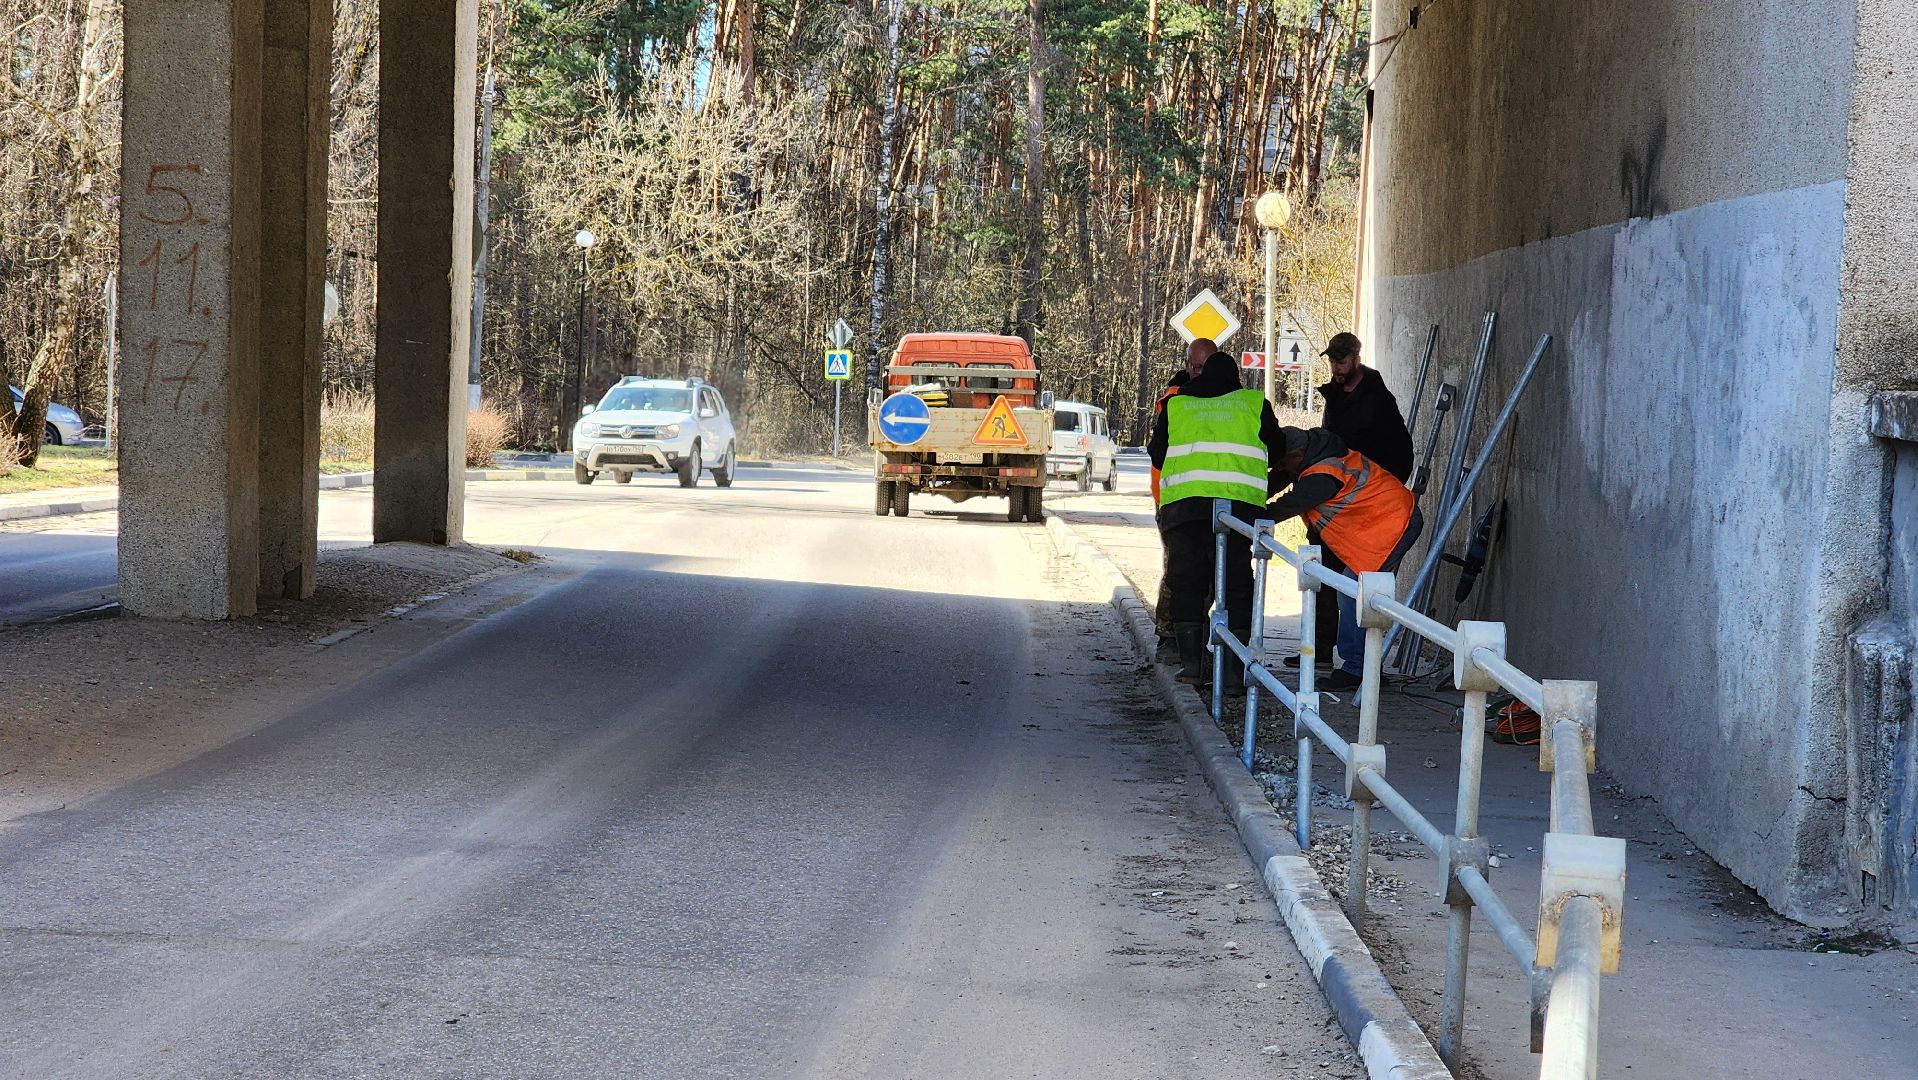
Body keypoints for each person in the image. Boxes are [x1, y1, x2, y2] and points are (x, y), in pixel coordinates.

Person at [1149, 349, 1285, 690]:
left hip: (1185, 509)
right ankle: (1233, 675)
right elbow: (1279, 448)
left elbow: (1156, 452)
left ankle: (1192, 666)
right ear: (1235, 378)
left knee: (1187, 581)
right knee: (1238, 584)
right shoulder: (1253, 403)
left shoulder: (1177, 404)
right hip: (1237, 510)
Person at [1267, 426, 1424, 691]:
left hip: (1395, 523)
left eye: (1284, 463)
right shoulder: (1319, 456)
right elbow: (1279, 481)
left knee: (1355, 593)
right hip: (1387, 522)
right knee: (1354, 591)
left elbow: (1288, 505)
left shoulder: (1322, 475)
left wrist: (1247, 514)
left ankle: (1357, 669)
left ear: (1297, 455)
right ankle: (1364, 666)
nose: (1284, 470)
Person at [1150, 339, 1212, 659]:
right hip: (1173, 495)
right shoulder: (1175, 400)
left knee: (1202, 569)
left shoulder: (1223, 399)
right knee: (1178, 566)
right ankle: (1168, 635)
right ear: (1187, 365)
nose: (1200, 373)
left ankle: (1192, 637)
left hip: (1203, 496)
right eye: (1196, 366)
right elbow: (1158, 451)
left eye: (1206, 367)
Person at [1317, 332, 1414, 483]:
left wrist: (1386, 486)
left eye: (1341, 362)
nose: (1335, 368)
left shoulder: (1378, 399)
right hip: (1343, 477)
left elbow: (1399, 450)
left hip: (1372, 481)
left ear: (1357, 361)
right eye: (1332, 362)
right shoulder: (1334, 393)